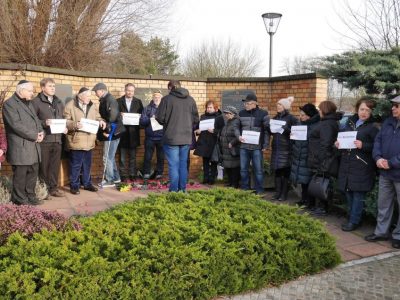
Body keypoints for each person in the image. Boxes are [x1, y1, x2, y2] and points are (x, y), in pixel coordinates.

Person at [335, 99, 379, 231]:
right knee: (348, 192)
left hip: (362, 165)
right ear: (357, 109)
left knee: (358, 194)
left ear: (371, 112)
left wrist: (363, 145)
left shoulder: (373, 127)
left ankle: (354, 221)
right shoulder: (349, 123)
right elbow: (342, 138)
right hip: (348, 163)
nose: (364, 113)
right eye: (362, 109)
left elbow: (378, 146)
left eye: (368, 110)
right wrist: (338, 144)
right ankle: (352, 218)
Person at [365, 95, 400, 249]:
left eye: (397, 106)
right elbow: (378, 141)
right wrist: (378, 158)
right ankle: (381, 232)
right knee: (383, 204)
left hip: (397, 172)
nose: (393, 108)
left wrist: (391, 163)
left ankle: (398, 236)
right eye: (393, 105)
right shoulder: (388, 122)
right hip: (385, 172)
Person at [2, 80, 44, 205]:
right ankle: (20, 199)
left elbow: (36, 120)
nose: (32, 93)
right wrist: (34, 136)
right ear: (21, 90)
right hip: (20, 147)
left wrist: (41, 133)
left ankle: (30, 196)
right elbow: (16, 125)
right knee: (20, 175)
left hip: (33, 146)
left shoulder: (29, 103)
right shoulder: (9, 104)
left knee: (32, 173)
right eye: (30, 91)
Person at [156, 80, 199, 192]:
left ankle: (174, 191)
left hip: (171, 138)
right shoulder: (191, 100)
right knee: (183, 165)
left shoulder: (166, 99)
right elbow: (196, 119)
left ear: (171, 87)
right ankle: (182, 190)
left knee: (173, 165)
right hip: (185, 137)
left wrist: (168, 122)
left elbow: (160, 118)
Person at [64, 87, 106, 194]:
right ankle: (74, 185)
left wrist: (101, 121)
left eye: (89, 96)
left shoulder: (92, 105)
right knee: (76, 165)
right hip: (77, 140)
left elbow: (98, 117)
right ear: (80, 96)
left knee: (87, 165)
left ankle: (87, 184)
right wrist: (75, 124)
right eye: (87, 96)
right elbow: (65, 121)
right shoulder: (70, 105)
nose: (89, 98)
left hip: (90, 140)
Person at [31, 78, 66, 198]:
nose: (53, 88)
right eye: (50, 86)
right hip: (45, 140)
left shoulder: (59, 102)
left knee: (54, 167)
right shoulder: (36, 102)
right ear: (42, 88)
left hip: (57, 139)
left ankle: (53, 189)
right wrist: (45, 122)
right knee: (44, 167)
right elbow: (32, 121)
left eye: (54, 86)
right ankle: (43, 190)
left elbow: (62, 118)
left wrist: (64, 128)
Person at [308, 100, 341, 215]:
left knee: (323, 183)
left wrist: (321, 161)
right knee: (322, 182)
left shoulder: (327, 124)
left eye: (320, 109)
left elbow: (325, 144)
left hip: (323, 159)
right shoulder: (328, 122)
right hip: (321, 158)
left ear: (324, 110)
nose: (319, 111)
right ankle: (321, 207)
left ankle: (323, 208)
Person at [234, 93, 270, 195]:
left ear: (255, 103)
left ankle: (259, 191)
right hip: (244, 147)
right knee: (243, 170)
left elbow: (267, 131)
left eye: (248, 103)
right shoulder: (241, 113)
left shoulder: (263, 113)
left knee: (258, 170)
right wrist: (238, 136)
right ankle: (245, 190)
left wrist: (266, 145)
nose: (246, 105)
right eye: (245, 103)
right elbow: (236, 127)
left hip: (257, 148)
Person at [93, 82, 123, 187]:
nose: (95, 94)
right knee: (110, 157)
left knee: (107, 157)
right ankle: (116, 178)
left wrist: (107, 132)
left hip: (112, 132)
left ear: (101, 90)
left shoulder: (110, 100)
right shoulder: (105, 99)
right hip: (113, 131)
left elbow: (112, 118)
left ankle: (109, 180)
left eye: (96, 91)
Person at [290, 103, 320, 207]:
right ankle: (303, 199)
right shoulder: (300, 124)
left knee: (309, 181)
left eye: (303, 115)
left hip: (309, 156)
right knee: (303, 181)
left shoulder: (316, 125)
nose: (300, 117)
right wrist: (292, 136)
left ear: (309, 115)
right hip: (299, 155)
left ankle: (310, 202)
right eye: (300, 115)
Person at [270, 96, 299, 201]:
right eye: (277, 104)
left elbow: (296, 133)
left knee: (285, 172)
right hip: (276, 148)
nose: (278, 106)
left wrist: (286, 129)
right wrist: (270, 128)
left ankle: (283, 194)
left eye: (280, 104)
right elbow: (272, 132)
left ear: (285, 107)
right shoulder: (275, 118)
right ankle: (277, 193)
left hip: (287, 149)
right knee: (277, 171)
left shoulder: (292, 118)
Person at [117, 83, 143, 181]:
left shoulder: (138, 102)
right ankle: (123, 175)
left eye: (132, 91)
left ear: (134, 91)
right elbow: (115, 115)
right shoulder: (118, 101)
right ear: (125, 90)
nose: (130, 92)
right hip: (122, 133)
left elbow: (142, 115)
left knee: (133, 156)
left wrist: (139, 117)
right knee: (122, 157)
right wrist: (119, 114)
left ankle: (132, 174)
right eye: (128, 90)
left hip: (133, 133)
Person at [194, 100, 223, 185]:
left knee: (213, 161)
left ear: (215, 108)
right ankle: (205, 178)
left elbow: (222, 130)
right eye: (208, 107)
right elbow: (199, 128)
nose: (209, 109)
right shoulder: (203, 116)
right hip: (204, 141)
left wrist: (214, 131)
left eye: (211, 107)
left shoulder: (219, 117)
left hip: (214, 142)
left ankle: (212, 179)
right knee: (205, 161)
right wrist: (198, 131)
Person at [139, 90, 164, 180]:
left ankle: (159, 173)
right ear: (152, 98)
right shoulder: (147, 108)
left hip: (162, 137)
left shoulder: (164, 108)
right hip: (150, 137)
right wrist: (150, 119)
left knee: (161, 157)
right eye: (155, 97)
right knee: (147, 156)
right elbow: (142, 122)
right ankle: (146, 173)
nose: (157, 98)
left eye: (158, 97)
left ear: (161, 98)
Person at [219, 106, 241, 188]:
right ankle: (230, 182)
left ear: (233, 114)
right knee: (228, 167)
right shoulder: (229, 122)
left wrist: (232, 143)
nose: (226, 115)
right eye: (225, 113)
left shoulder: (236, 122)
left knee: (234, 167)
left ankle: (235, 184)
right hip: (226, 149)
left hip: (233, 149)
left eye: (228, 113)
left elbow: (238, 135)